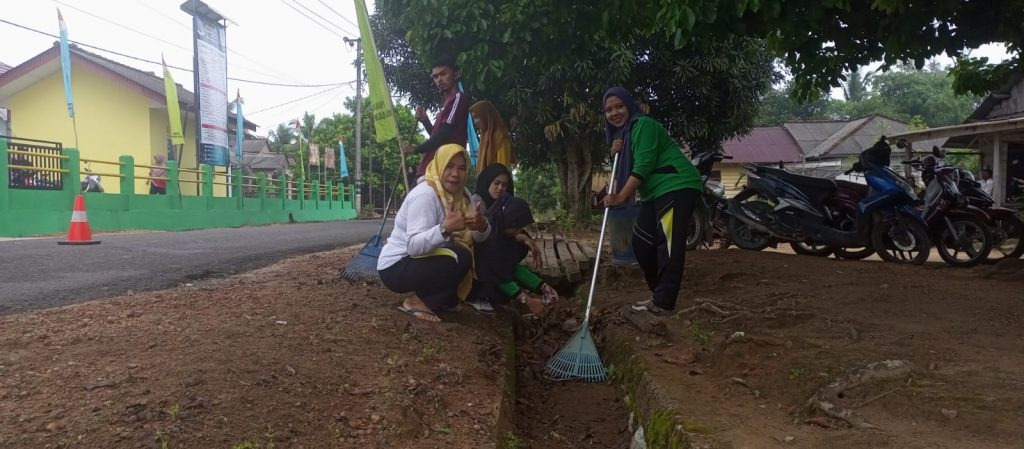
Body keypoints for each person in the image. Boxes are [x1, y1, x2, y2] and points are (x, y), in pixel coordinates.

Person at [601, 86, 702, 316]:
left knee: (668, 244)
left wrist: (619, 197)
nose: (614, 113)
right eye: (608, 110)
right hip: (654, 193)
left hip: (676, 186)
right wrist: (613, 152)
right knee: (641, 243)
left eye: (619, 106)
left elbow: (642, 166)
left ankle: (664, 302)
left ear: (629, 106)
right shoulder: (624, 136)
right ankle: (659, 294)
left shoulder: (643, 125)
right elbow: (625, 165)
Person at [377, 144, 490, 322]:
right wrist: (444, 228)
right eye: (449, 166)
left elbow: (477, 238)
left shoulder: (463, 196)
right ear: (438, 166)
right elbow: (413, 246)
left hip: (420, 260)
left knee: (466, 252)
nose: (455, 173)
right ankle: (416, 301)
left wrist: (481, 225)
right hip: (396, 266)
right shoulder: (426, 195)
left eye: (461, 168)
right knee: (459, 257)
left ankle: (443, 299)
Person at [470, 163, 558, 316]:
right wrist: (527, 300)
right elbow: (497, 269)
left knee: (510, 248)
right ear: (487, 182)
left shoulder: (503, 205)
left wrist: (542, 286)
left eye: (504, 185)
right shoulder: (478, 205)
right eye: (496, 183)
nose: (500, 188)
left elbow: (507, 264)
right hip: (477, 259)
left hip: (494, 251)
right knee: (494, 274)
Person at [402, 55, 470, 181]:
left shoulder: (458, 99)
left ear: (455, 75)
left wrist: (416, 149)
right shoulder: (446, 103)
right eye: (435, 76)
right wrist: (425, 121)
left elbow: (444, 135)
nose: (439, 79)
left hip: (442, 169)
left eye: (443, 74)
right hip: (431, 167)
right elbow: (439, 135)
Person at [468, 101, 514, 173]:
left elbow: (503, 169)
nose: (475, 122)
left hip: (496, 183)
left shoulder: (501, 136)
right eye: (473, 119)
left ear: (485, 115)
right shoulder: (485, 135)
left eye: (476, 117)